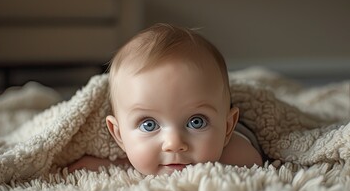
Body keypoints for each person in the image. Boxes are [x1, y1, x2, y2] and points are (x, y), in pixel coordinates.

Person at [68, 23, 265, 175]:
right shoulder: (126, 145)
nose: (173, 143)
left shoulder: (236, 153)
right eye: (149, 125)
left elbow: (253, 160)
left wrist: (122, 164)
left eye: (196, 122)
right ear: (119, 135)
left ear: (228, 127)